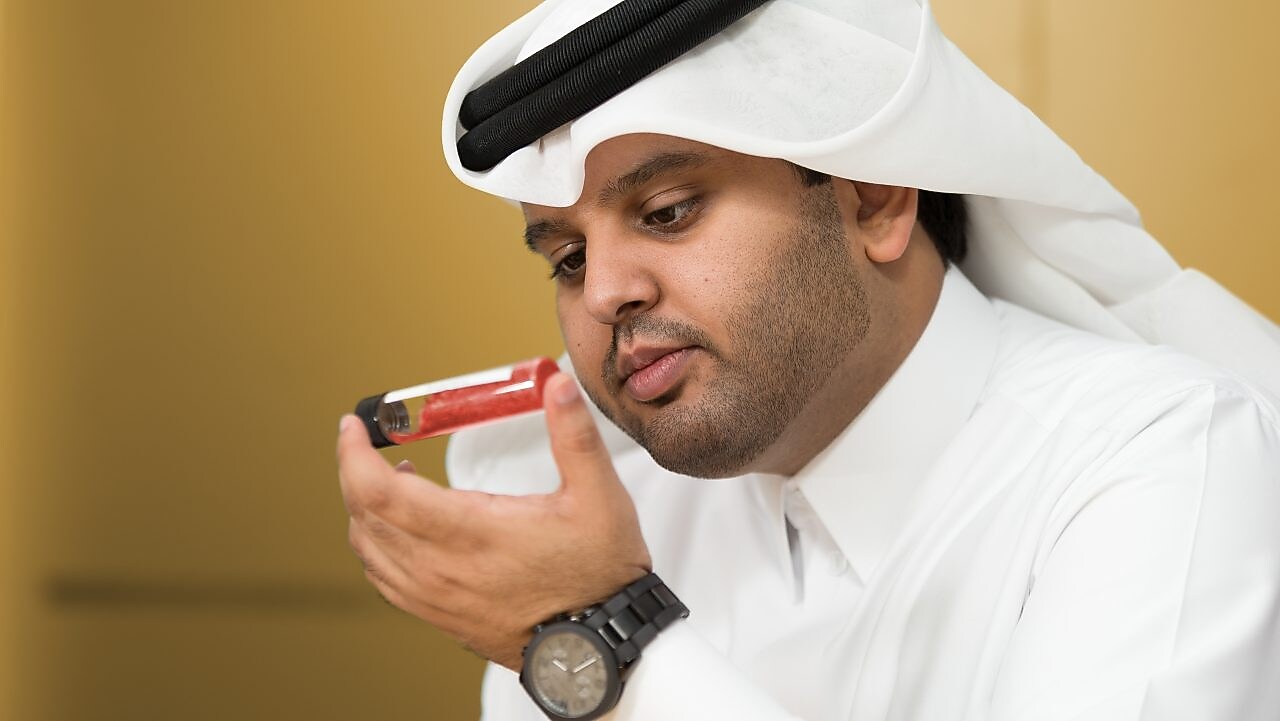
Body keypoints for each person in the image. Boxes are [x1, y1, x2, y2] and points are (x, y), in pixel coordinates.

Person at [337, 1, 1280, 719]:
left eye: (666, 212)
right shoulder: (592, 525)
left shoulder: (1160, 457)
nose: (602, 294)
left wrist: (612, 637)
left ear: (873, 199)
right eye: (568, 256)